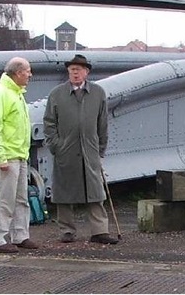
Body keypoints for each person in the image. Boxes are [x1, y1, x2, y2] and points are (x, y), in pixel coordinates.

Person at [43, 54, 119, 245]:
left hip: (90, 149)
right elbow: (49, 123)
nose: (75, 73)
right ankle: (67, 230)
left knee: (95, 190)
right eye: (72, 70)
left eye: (79, 70)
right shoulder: (57, 94)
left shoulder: (98, 93)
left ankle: (99, 231)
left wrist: (100, 149)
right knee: (64, 191)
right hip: (65, 150)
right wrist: (56, 145)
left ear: (86, 72)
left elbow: (103, 124)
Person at [0, 57, 40, 253]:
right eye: (27, 71)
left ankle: (20, 234)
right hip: (7, 156)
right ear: (18, 73)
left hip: (19, 154)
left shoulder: (15, 93)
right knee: (5, 199)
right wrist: (1, 156)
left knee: (20, 199)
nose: (30, 75)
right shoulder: (0, 94)